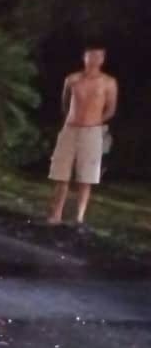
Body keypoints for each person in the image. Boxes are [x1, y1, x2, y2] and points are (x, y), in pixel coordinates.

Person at [47, 44, 118, 226]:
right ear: (84, 57)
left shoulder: (108, 82)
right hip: (70, 128)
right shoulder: (73, 79)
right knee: (61, 174)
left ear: (103, 59)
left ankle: (79, 217)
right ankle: (56, 214)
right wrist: (72, 119)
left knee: (86, 176)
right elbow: (65, 102)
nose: (94, 60)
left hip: (92, 131)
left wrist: (95, 122)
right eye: (91, 56)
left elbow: (110, 108)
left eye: (98, 56)